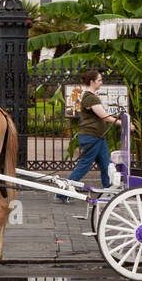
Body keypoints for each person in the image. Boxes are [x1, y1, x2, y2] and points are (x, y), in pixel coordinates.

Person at [61, 68, 122, 202]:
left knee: (106, 165)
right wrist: (123, 123)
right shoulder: (90, 98)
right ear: (92, 82)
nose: (101, 82)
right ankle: (62, 192)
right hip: (91, 137)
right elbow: (104, 116)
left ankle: (109, 191)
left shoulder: (92, 97)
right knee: (84, 165)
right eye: (99, 80)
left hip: (98, 138)